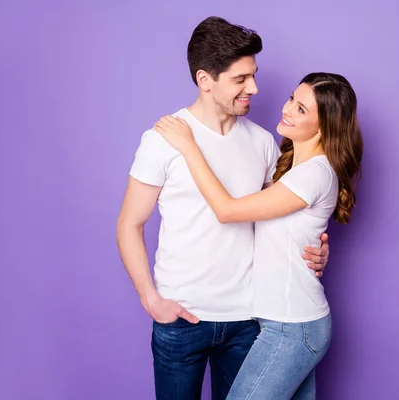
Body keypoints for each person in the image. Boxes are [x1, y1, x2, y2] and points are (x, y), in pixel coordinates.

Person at [116, 17, 330, 400]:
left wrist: (317, 247)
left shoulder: (264, 142)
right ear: (205, 80)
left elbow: (280, 216)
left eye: (254, 75)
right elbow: (130, 223)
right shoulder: (163, 139)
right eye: (240, 79)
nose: (255, 88)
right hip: (181, 320)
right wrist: (151, 299)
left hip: (247, 321)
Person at [153, 71, 363, 399]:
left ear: (323, 128)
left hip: (291, 329)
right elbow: (287, 228)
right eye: (293, 98)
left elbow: (228, 211)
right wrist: (319, 247)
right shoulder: (294, 171)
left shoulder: (312, 174)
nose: (287, 108)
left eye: (301, 109)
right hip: (288, 323)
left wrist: (188, 146)